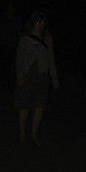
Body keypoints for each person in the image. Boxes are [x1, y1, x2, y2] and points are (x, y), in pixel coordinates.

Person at [13, 11, 59, 144]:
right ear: (35, 23)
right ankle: (22, 133)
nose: (41, 24)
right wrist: (19, 77)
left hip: (42, 76)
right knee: (24, 105)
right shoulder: (25, 39)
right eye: (40, 22)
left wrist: (55, 81)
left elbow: (51, 59)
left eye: (43, 22)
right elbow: (19, 59)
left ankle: (34, 133)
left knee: (40, 105)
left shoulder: (47, 39)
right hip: (27, 76)